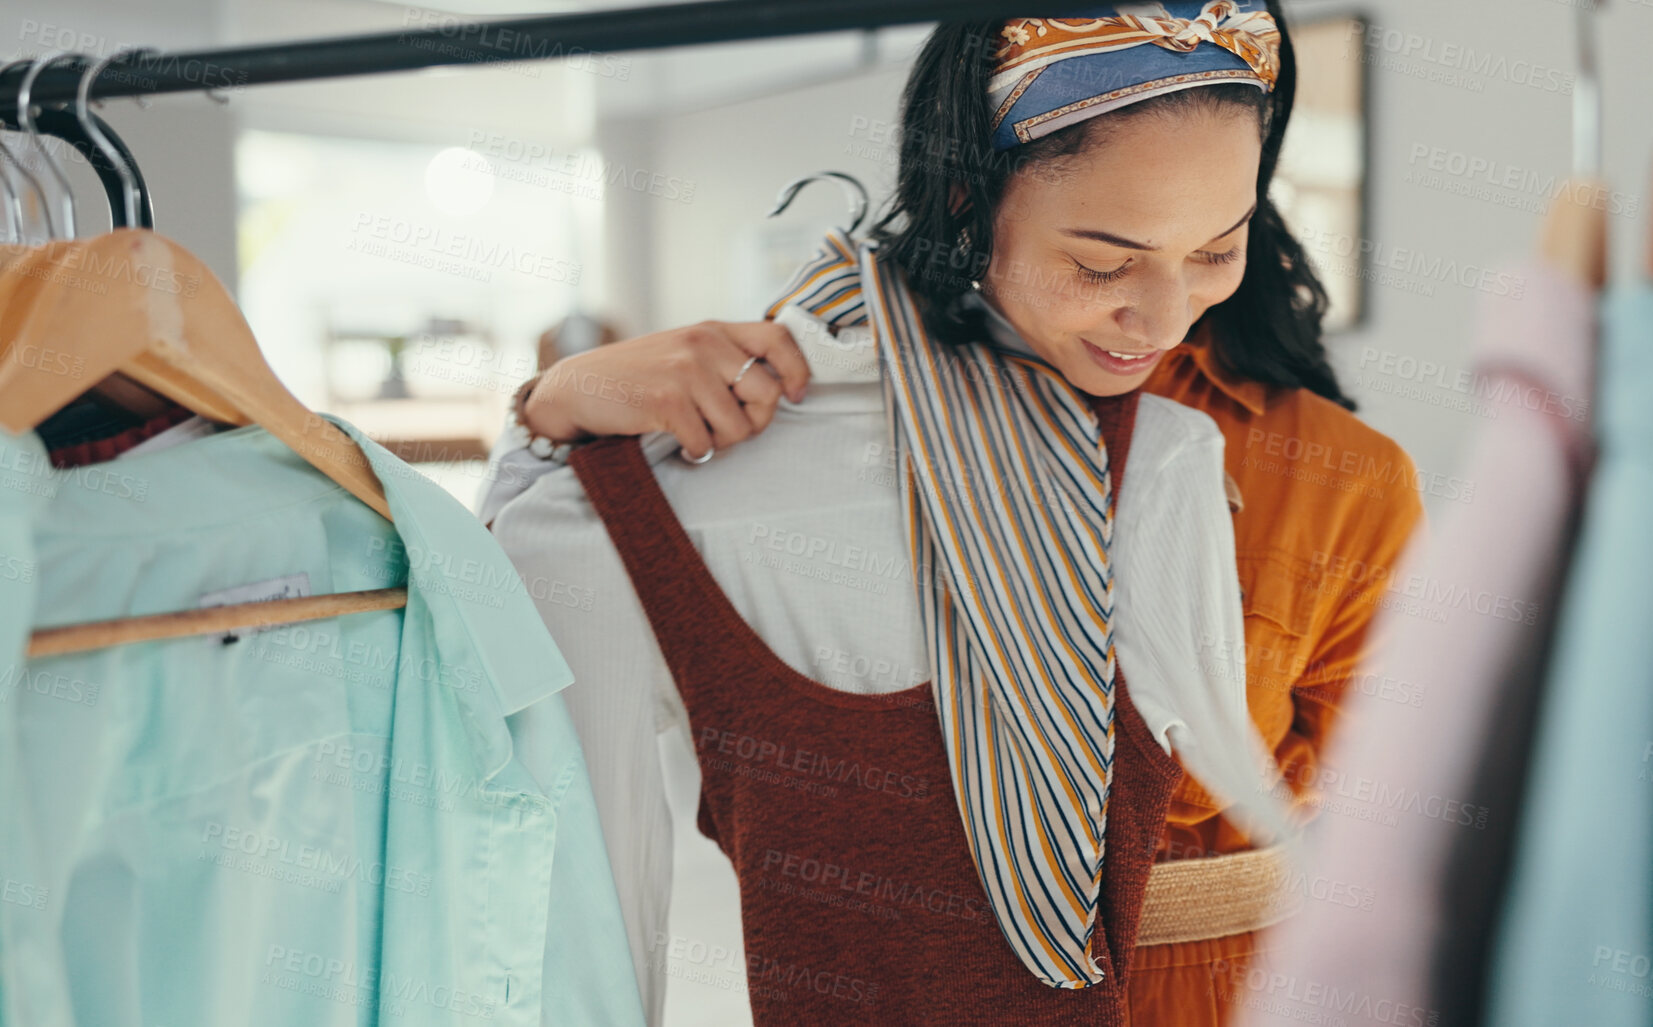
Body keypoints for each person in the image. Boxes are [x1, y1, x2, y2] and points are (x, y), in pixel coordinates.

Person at [482, 2, 1422, 1024]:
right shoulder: (779, 416)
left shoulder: (1332, 477)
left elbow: (1400, 824)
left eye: (1215, 249)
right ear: (971, 199)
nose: (1158, 317)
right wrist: (550, 422)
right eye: (1102, 262)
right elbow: (518, 700)